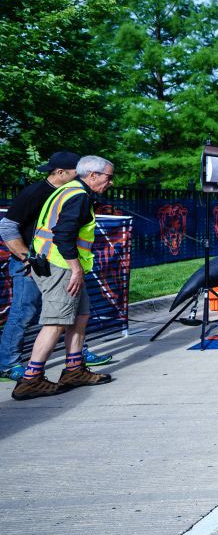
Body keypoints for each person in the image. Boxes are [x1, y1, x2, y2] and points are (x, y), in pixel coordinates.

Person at [12, 155, 116, 400]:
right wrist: (76, 269)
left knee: (80, 316)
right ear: (93, 175)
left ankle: (73, 370)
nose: (110, 183)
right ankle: (30, 380)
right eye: (108, 177)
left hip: (59, 264)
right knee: (56, 322)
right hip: (60, 267)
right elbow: (62, 235)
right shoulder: (77, 196)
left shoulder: (70, 190)